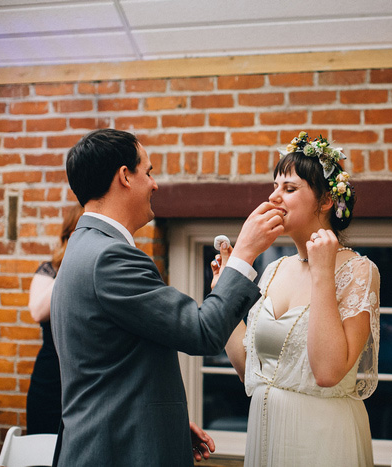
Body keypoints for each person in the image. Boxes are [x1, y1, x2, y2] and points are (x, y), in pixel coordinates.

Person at [50, 128, 284, 467]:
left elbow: (112, 366)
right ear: (125, 177)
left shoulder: (82, 248)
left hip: (115, 439)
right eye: (149, 172)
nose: (155, 184)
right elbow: (202, 331)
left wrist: (161, 423)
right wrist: (244, 252)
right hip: (117, 453)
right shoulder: (110, 258)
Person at [216, 131, 381, 466]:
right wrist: (222, 293)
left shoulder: (359, 271)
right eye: (274, 187)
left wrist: (322, 273)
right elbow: (252, 370)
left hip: (322, 440)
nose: (274, 197)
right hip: (268, 433)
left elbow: (327, 372)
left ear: (325, 202)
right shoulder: (275, 268)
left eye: (289, 189)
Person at [26, 204, 83, 435]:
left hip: (84, 379)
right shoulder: (49, 271)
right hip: (50, 380)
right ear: (69, 235)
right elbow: (37, 312)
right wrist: (71, 266)